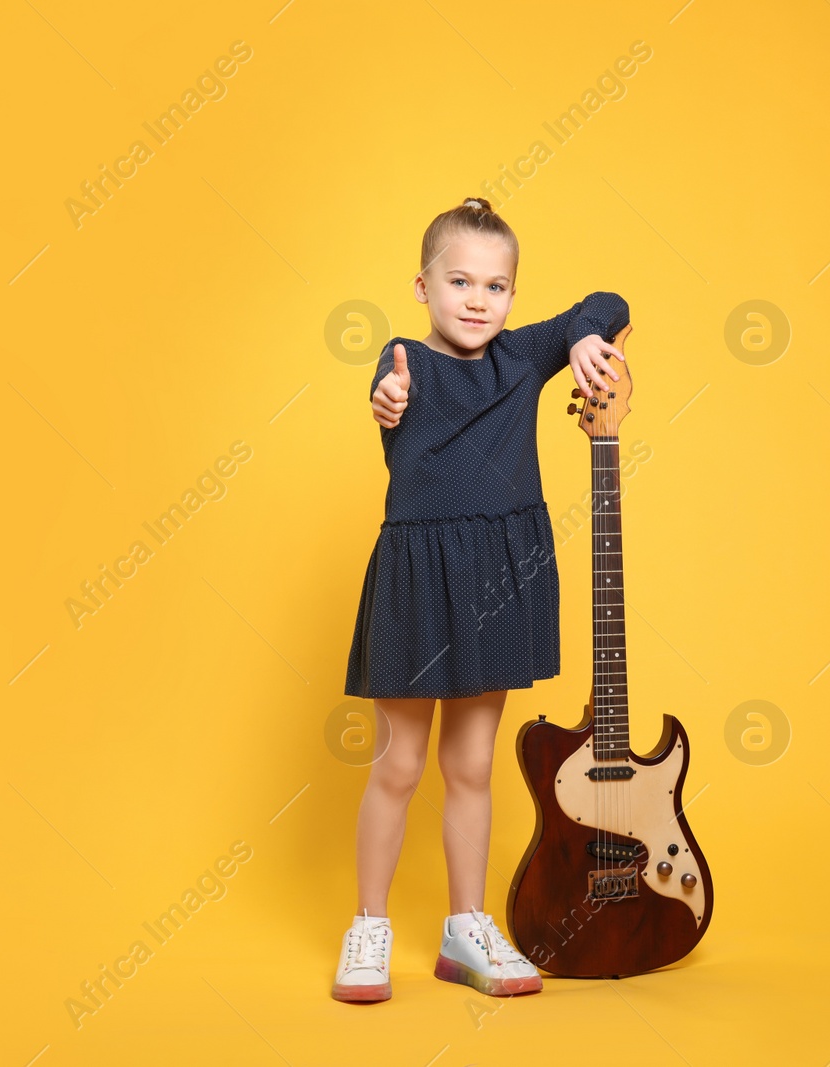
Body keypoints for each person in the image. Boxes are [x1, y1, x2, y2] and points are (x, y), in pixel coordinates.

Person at [333, 197, 629, 1003]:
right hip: (419, 575)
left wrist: (586, 335)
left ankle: (466, 926)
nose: (476, 300)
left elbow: (607, 302)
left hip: (501, 573)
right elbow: (385, 397)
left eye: (496, 286)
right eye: (459, 280)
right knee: (399, 762)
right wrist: (385, 404)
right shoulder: (404, 362)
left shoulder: (524, 356)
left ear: (511, 297)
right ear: (422, 286)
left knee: (470, 763)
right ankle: (369, 925)